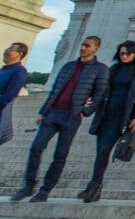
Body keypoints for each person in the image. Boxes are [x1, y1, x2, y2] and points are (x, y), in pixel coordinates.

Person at [11, 36, 109, 203]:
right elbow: (55, 89)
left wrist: (85, 111)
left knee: (60, 154)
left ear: (96, 48)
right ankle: (29, 185)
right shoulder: (69, 66)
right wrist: (43, 112)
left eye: (87, 46)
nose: (83, 48)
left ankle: (45, 190)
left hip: (72, 116)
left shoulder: (100, 69)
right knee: (36, 147)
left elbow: (100, 94)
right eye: (82, 45)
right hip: (53, 112)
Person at [79, 40, 135, 203]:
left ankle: (94, 186)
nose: (123, 56)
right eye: (121, 53)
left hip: (122, 115)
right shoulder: (113, 69)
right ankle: (95, 187)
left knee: (104, 149)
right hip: (106, 113)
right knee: (101, 151)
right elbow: (101, 88)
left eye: (127, 54)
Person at [0, 42, 29, 146]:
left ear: (19, 54)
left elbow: (9, 95)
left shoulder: (19, 72)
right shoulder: (2, 70)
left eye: (11, 49)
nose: (6, 51)